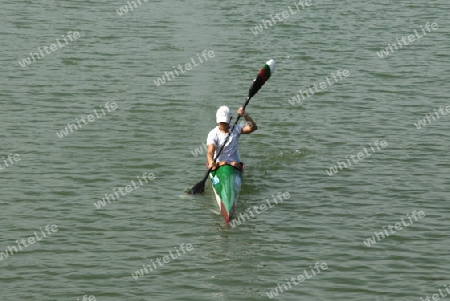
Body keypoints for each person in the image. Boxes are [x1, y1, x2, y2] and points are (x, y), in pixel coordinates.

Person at [206, 106, 257, 171]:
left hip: (235, 164)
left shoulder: (236, 128)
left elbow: (253, 128)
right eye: (221, 122)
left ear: (230, 119)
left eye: (225, 122)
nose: (223, 124)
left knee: (234, 164)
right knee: (217, 165)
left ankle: (235, 167)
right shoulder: (213, 134)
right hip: (219, 164)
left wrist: (245, 116)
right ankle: (218, 165)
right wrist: (210, 161)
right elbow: (210, 152)